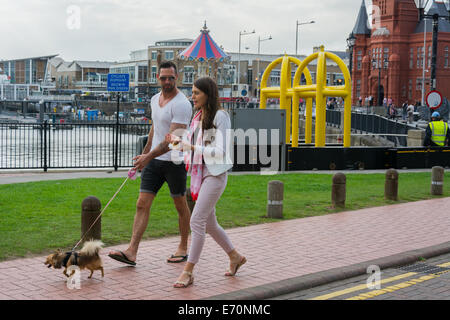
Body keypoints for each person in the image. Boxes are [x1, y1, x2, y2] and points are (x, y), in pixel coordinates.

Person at [108, 61, 193, 265]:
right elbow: (155, 129)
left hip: (174, 161)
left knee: (180, 205)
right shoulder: (155, 99)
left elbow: (173, 141)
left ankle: (183, 246)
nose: (167, 82)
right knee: (141, 204)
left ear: (176, 78)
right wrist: (144, 156)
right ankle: (131, 252)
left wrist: (149, 157)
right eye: (163, 78)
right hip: (154, 162)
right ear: (158, 78)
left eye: (170, 78)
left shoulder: (182, 104)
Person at [166, 77, 246, 288]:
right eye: (192, 93)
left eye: (196, 93)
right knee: (209, 224)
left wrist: (191, 148)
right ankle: (235, 256)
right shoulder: (198, 117)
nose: (192, 96)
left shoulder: (221, 116)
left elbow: (220, 152)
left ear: (208, 94)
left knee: (196, 221)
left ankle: (188, 271)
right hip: (201, 174)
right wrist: (178, 144)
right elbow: (193, 147)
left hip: (215, 175)